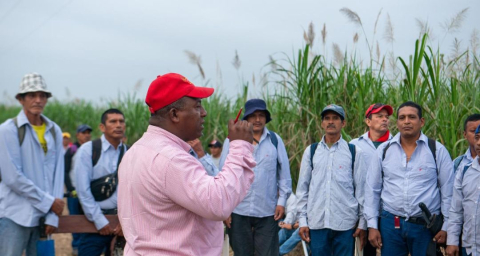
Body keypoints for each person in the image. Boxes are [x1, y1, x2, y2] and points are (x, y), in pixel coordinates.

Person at [117, 73, 256, 256]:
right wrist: (240, 147)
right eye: (197, 106)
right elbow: (219, 203)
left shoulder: (135, 151)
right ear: (174, 114)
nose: (204, 113)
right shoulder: (171, 159)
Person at [365, 101, 454, 256]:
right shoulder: (384, 150)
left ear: (422, 121)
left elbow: (448, 192)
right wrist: (372, 225)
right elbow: (372, 189)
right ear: (397, 122)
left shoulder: (437, 150)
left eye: (412, 117)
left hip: (425, 226)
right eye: (402, 118)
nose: (406, 121)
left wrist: (446, 227)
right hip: (390, 224)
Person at [0, 73, 65, 256]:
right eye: (32, 95)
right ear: (21, 99)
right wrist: (49, 203)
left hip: (43, 218)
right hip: (14, 215)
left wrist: (53, 214)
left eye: (42, 95)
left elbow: (57, 175)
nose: (38, 100)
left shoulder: (54, 130)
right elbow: (12, 177)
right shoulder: (8, 130)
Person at [219, 98, 292, 256]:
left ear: (266, 118)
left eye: (261, 115)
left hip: (268, 212)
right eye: (253, 115)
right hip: (239, 210)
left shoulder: (275, 141)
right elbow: (223, 174)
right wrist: (225, 210)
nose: (257, 119)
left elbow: (285, 176)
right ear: (246, 118)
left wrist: (282, 202)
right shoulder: (232, 141)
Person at [296, 104, 367, 256]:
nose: (330, 122)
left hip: (345, 225)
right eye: (327, 118)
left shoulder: (354, 152)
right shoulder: (311, 151)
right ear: (322, 123)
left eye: (335, 118)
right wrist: (302, 221)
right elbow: (303, 189)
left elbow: (361, 190)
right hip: (317, 223)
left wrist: (362, 222)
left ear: (343, 123)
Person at [75, 109, 126, 256]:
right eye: (113, 121)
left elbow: (133, 191)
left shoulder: (130, 152)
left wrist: (125, 222)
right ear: (102, 127)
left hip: (120, 225)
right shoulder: (88, 150)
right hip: (93, 224)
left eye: (121, 122)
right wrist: (100, 221)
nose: (118, 125)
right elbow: (83, 191)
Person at [350, 103, 394, 256]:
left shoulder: (397, 145)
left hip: (389, 211)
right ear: (368, 121)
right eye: (379, 116)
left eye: (386, 117)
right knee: (366, 252)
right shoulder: (355, 146)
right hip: (363, 212)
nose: (384, 120)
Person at [446, 123, 480, 256]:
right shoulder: (464, 170)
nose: (478, 143)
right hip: (470, 248)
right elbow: (456, 210)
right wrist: (452, 241)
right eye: (477, 137)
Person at [64, 124, 92, 254]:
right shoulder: (72, 150)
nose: (86, 135)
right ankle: (76, 246)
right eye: (83, 133)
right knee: (75, 219)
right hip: (75, 192)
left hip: (89, 192)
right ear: (77, 135)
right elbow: (65, 171)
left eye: (88, 133)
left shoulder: (93, 149)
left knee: (89, 218)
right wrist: (70, 189)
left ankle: (86, 246)